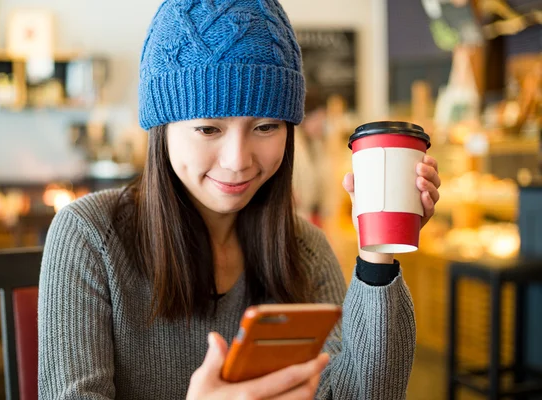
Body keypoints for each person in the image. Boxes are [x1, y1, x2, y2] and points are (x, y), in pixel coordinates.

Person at [38, 1, 442, 399]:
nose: (238, 161)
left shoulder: (303, 250)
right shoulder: (88, 236)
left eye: (266, 126)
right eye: (209, 129)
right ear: (161, 131)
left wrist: (377, 254)